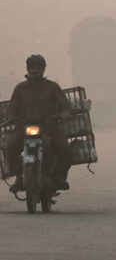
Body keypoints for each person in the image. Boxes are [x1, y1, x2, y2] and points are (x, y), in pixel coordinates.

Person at [7, 55, 72, 192]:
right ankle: (19, 177)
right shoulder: (20, 89)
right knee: (11, 147)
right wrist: (12, 118)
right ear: (28, 69)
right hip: (24, 129)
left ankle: (58, 176)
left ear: (43, 69)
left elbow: (65, 106)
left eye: (38, 68)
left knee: (65, 149)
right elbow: (11, 110)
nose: (35, 71)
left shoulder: (52, 87)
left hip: (50, 128)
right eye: (32, 68)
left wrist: (64, 113)